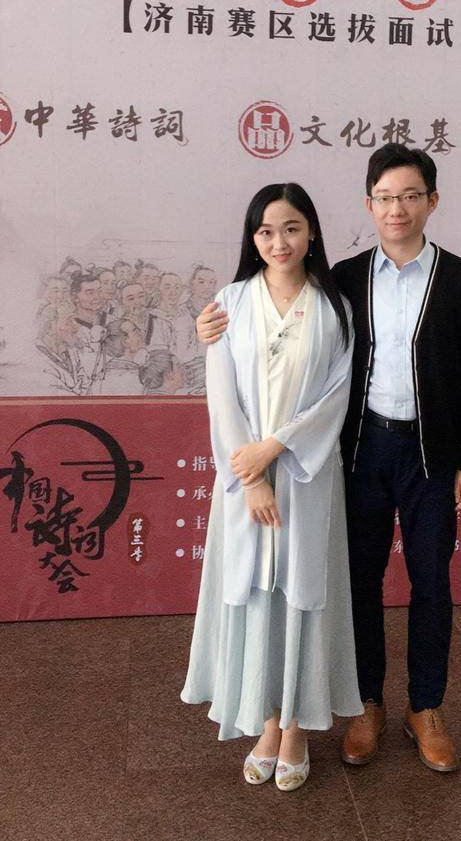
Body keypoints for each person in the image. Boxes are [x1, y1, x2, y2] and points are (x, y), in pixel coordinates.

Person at [195, 145, 461, 775]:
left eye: (409, 196)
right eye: (385, 197)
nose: (397, 208)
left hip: (432, 456)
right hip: (362, 451)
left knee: (432, 581)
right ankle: (367, 704)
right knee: (357, 582)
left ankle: (426, 706)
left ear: (431, 201)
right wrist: (208, 330)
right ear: (368, 204)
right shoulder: (347, 280)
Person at [181, 183, 362, 791]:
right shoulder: (229, 302)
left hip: (309, 477)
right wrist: (252, 475)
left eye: (291, 228)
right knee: (255, 592)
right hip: (245, 484)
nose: (278, 242)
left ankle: (296, 728)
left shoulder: (335, 307)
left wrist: (276, 446)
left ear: (311, 231)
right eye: (265, 231)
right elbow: (222, 397)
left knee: (302, 592)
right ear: (251, 238)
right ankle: (264, 722)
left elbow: (335, 396)